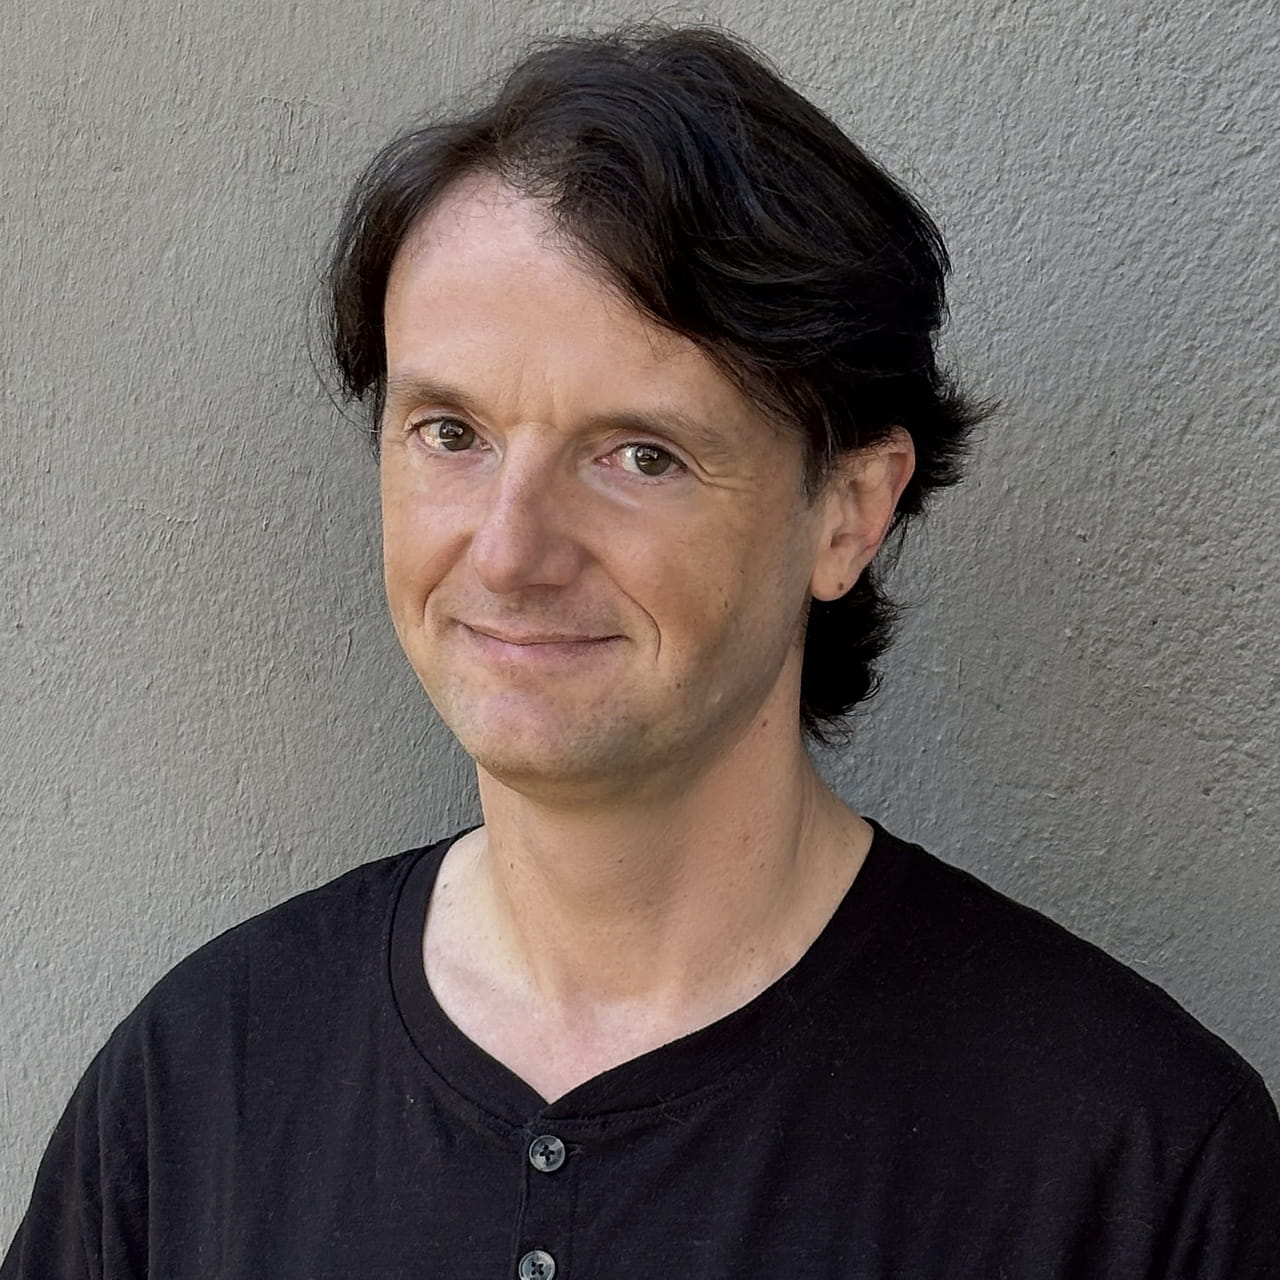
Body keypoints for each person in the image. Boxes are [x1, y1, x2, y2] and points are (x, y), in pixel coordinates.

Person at [5, 23, 1278, 1279]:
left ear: (846, 513)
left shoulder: (1136, 1165)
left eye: (639, 455)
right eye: (450, 432)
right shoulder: (199, 1083)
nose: (510, 550)